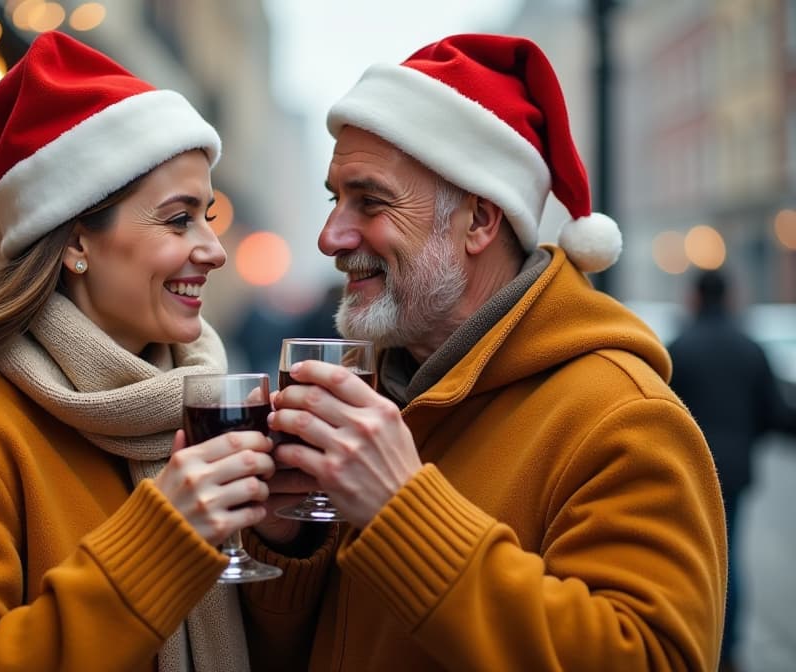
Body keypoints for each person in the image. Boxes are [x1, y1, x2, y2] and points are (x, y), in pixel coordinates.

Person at [242, 34, 727, 670]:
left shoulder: (623, 418)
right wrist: (289, 536)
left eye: (371, 200)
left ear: (479, 220)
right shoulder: (382, 391)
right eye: (335, 198)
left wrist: (403, 513)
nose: (330, 236)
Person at [0, 32, 277, 671]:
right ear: (78, 240)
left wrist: (289, 535)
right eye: (179, 218)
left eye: (208, 216)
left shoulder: (198, 410)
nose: (213, 249)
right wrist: (160, 549)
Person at [668, 268, 796, 672]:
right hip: (735, 472)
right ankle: (727, 649)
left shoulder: (680, 349)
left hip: (686, 471)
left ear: (694, 297)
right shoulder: (749, 349)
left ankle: (689, 638)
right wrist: (746, 437)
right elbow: (775, 412)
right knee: (728, 558)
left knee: (686, 557)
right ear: (729, 297)